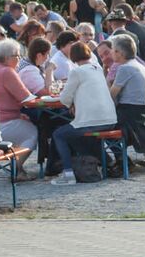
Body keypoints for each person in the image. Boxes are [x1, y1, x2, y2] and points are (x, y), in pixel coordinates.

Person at [49, 41, 119, 185]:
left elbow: (64, 98)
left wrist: (72, 103)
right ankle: (108, 162)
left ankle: (68, 173)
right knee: (78, 137)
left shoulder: (76, 72)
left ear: (73, 57)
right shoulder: (98, 69)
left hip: (91, 120)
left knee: (59, 134)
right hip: (110, 118)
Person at [0, 39, 39, 176]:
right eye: (17, 56)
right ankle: (17, 169)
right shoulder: (6, 71)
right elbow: (26, 98)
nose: (20, 59)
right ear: (7, 58)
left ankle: (15, 165)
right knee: (32, 132)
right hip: (1, 125)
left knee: (25, 122)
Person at [109, 33, 145, 170]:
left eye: (112, 49)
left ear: (119, 53)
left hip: (129, 115)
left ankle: (121, 160)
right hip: (143, 114)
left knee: (100, 127)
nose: (110, 52)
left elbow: (111, 94)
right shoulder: (139, 65)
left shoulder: (124, 68)